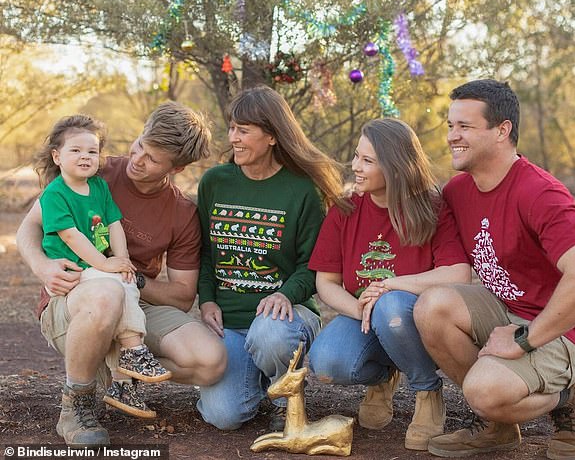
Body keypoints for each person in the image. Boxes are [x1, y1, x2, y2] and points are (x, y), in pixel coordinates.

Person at [414, 80, 575, 460]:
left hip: (571, 326)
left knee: (484, 391)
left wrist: (524, 339)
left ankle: (567, 398)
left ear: (502, 130)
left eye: (465, 127)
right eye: (450, 125)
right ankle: (497, 425)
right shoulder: (458, 192)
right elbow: (451, 267)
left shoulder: (539, 192)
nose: (453, 136)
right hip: (508, 310)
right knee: (431, 307)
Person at [17, 102, 227, 447]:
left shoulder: (182, 212)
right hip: (73, 299)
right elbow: (30, 226)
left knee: (211, 362)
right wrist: (44, 268)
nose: (137, 159)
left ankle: (120, 369)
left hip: (134, 300)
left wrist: (129, 275)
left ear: (177, 168)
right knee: (106, 293)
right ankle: (76, 404)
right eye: (140, 144)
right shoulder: (96, 169)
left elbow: (181, 294)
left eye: (152, 159)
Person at [307, 118, 470, 451]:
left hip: (414, 322)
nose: (355, 167)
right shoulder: (345, 209)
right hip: (363, 318)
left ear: (396, 167)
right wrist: (359, 308)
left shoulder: (431, 208)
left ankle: (427, 391)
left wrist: (391, 284)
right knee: (326, 363)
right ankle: (382, 379)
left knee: (391, 305)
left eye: (367, 161)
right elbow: (326, 282)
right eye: (356, 156)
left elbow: (458, 273)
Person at [196, 85, 348, 432]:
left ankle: (286, 397)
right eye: (232, 128)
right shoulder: (215, 182)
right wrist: (206, 301)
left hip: (285, 318)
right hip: (229, 323)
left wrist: (285, 294)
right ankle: (262, 380)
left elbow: (313, 266)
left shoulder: (302, 190)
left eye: (243, 131)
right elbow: (204, 252)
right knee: (224, 416)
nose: (233, 137)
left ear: (272, 137)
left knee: (270, 336)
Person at [35, 114, 172, 403]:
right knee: (113, 291)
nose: (85, 157)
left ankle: (122, 385)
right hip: (74, 271)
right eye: (76, 150)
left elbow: (114, 224)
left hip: (97, 269)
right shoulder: (54, 194)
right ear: (57, 156)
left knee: (125, 286)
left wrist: (122, 260)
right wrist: (105, 263)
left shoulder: (98, 187)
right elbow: (71, 236)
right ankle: (134, 349)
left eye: (92, 151)